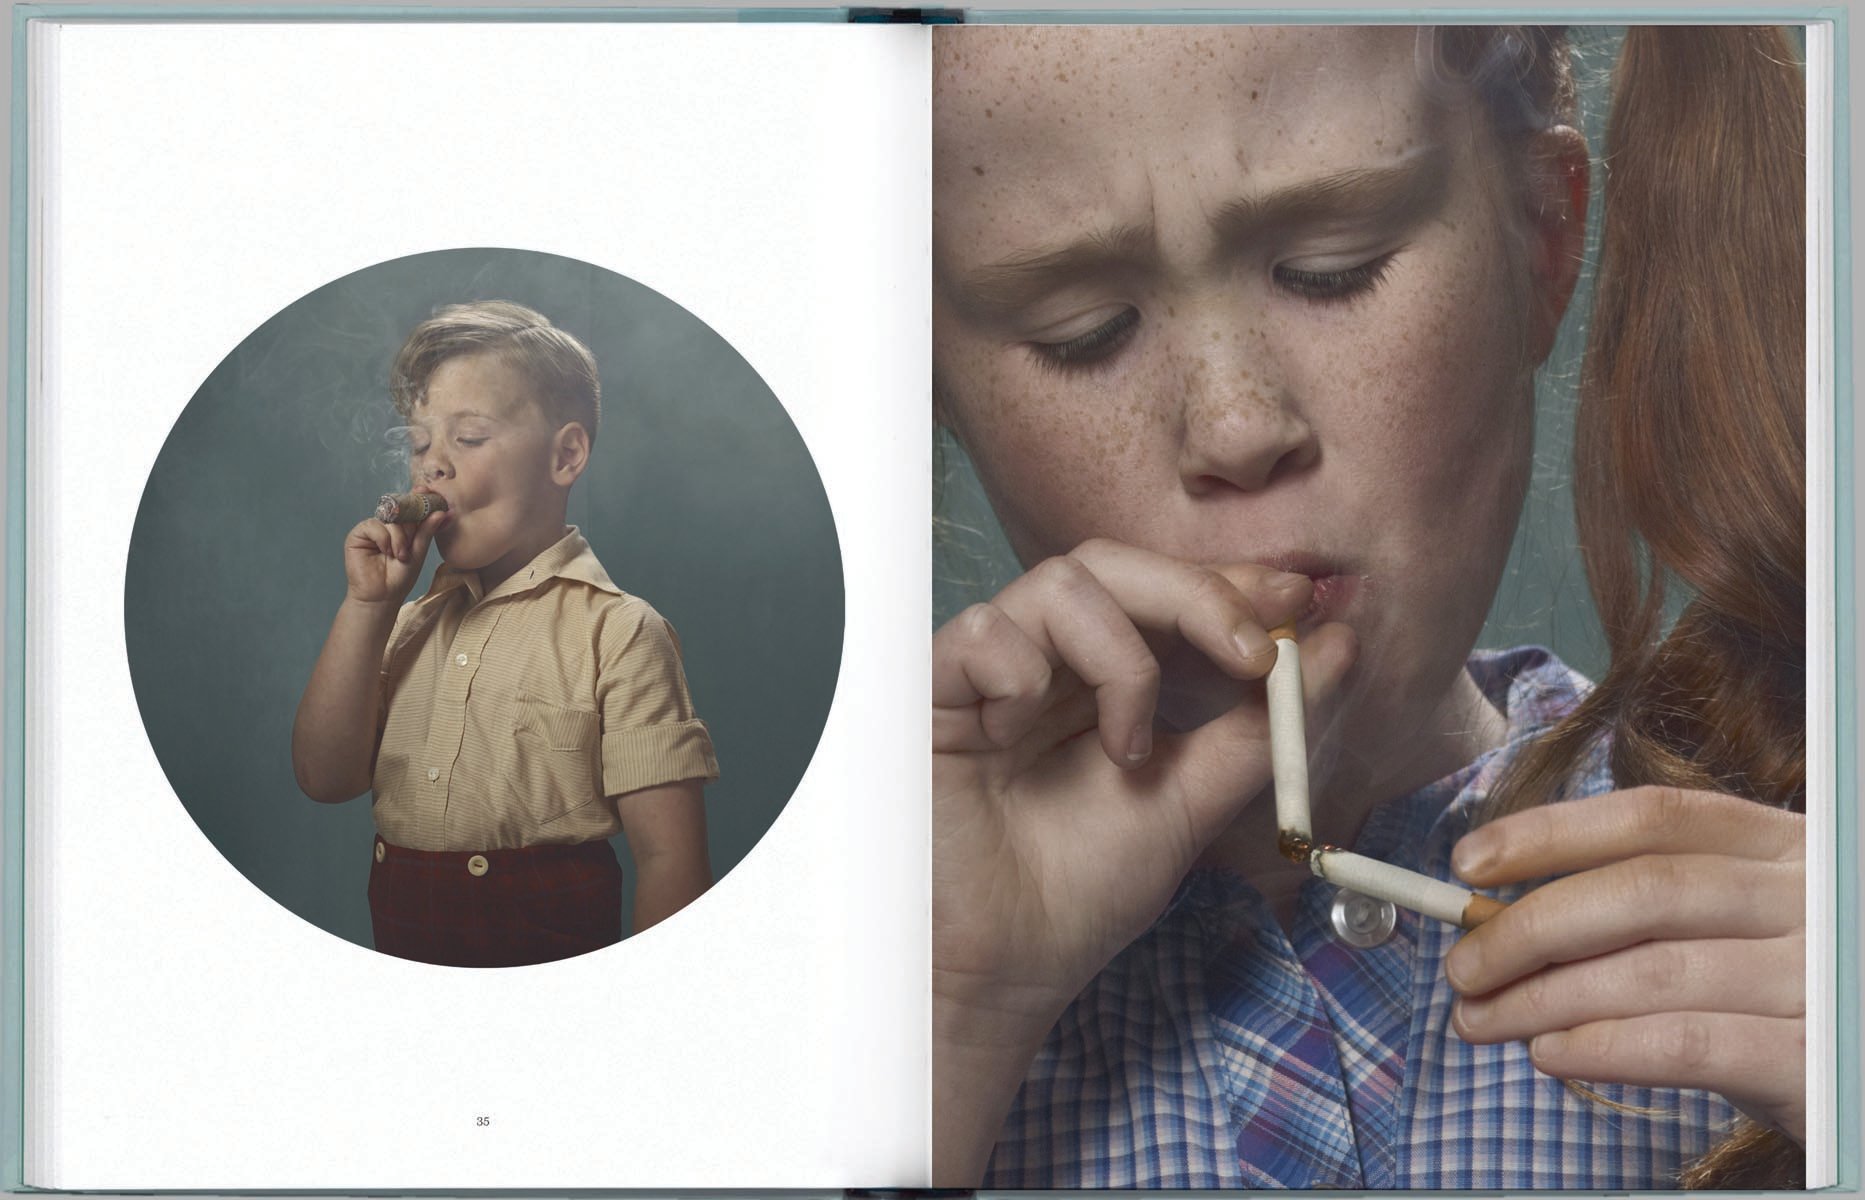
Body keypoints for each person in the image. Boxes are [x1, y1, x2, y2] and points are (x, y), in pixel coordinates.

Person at [930, 24, 1805, 1189]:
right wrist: (945, 1023)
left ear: (1542, 242)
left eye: (1329, 267)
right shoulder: (842, 1012)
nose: (1237, 427)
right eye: (1079, 333)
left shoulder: (1800, 879)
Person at [292, 300, 719, 968]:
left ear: (565, 455)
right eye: (419, 445)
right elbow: (324, 777)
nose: (433, 467)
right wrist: (366, 607)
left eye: (467, 440)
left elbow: (670, 860)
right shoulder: (404, 625)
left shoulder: (621, 633)